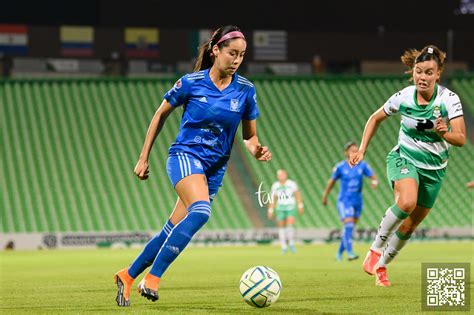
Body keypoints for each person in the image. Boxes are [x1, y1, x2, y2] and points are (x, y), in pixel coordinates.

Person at [113, 25, 272, 306]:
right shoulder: (190, 83)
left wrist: (256, 149)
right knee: (201, 211)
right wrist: (143, 156)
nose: (236, 60)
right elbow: (160, 115)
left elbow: (249, 136)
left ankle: (128, 274)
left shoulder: (246, 90)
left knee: (171, 228)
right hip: (185, 157)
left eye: (242, 55)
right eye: (232, 53)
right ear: (215, 51)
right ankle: (153, 278)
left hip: (214, 169)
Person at [349, 45, 465, 286]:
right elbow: (375, 118)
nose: (423, 77)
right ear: (413, 71)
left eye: (429, 73)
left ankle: (381, 266)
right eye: (419, 71)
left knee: (411, 225)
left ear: (438, 74)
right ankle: (375, 249)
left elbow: (461, 139)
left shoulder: (449, 100)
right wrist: (362, 149)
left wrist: (444, 133)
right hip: (404, 158)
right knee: (406, 202)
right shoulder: (403, 97)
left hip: (434, 170)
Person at [322, 141, 378, 261]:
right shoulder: (340, 167)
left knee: (349, 228)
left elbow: (373, 176)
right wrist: (325, 195)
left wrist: (374, 182)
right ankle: (350, 252)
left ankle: (339, 253)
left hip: (357, 200)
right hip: (344, 200)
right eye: (351, 150)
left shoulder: (362, 165)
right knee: (349, 224)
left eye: (356, 150)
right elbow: (331, 182)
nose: (354, 152)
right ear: (346, 152)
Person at [267, 169, 304, 253]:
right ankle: (283, 246)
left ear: (286, 175)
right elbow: (273, 198)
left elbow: (297, 194)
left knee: (290, 224)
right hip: (280, 207)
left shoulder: (291, 184)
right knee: (281, 226)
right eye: (280, 175)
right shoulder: (275, 185)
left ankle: (291, 243)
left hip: (290, 206)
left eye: (282, 174)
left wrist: (300, 205)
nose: (281, 176)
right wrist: (270, 209)